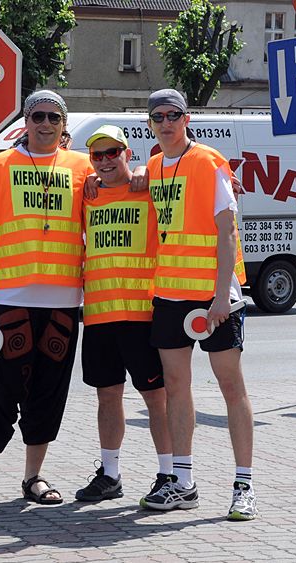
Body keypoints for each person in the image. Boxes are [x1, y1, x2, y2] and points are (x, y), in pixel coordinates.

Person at [0, 90, 93, 515]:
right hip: (7, 302)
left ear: (64, 125)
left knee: (48, 394)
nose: (46, 123)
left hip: (63, 304)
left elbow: (127, 185)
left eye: (54, 117)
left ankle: (33, 477)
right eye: (39, 116)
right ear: (26, 121)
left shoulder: (83, 168)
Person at [140, 89, 257, 521]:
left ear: (187, 119)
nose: (166, 122)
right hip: (170, 294)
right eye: (158, 117)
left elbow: (227, 233)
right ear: (150, 123)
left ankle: (243, 485)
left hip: (214, 297)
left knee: (231, 387)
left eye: (173, 115)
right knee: (175, 387)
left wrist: (220, 296)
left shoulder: (209, 163)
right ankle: (182, 483)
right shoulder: (153, 166)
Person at [74, 125, 174, 506]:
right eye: (97, 155)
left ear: (126, 153)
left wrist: (149, 170)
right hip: (99, 314)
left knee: (156, 399)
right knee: (107, 396)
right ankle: (110, 475)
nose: (104, 161)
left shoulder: (149, 187)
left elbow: (185, 169)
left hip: (142, 314)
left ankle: (167, 474)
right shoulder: (88, 194)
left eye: (112, 152)